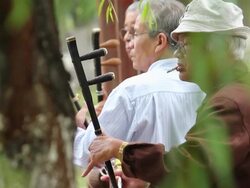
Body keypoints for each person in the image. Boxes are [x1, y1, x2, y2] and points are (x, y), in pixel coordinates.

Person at [84, 0, 250, 187]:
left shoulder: (231, 103)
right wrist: (144, 181)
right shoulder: (232, 93)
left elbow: (187, 167)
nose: (177, 53)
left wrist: (121, 150)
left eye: (186, 45)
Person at [74, 0, 205, 183]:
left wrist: (77, 127)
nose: (128, 41)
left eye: (135, 33)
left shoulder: (131, 93)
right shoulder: (204, 88)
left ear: (160, 41)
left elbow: (90, 152)